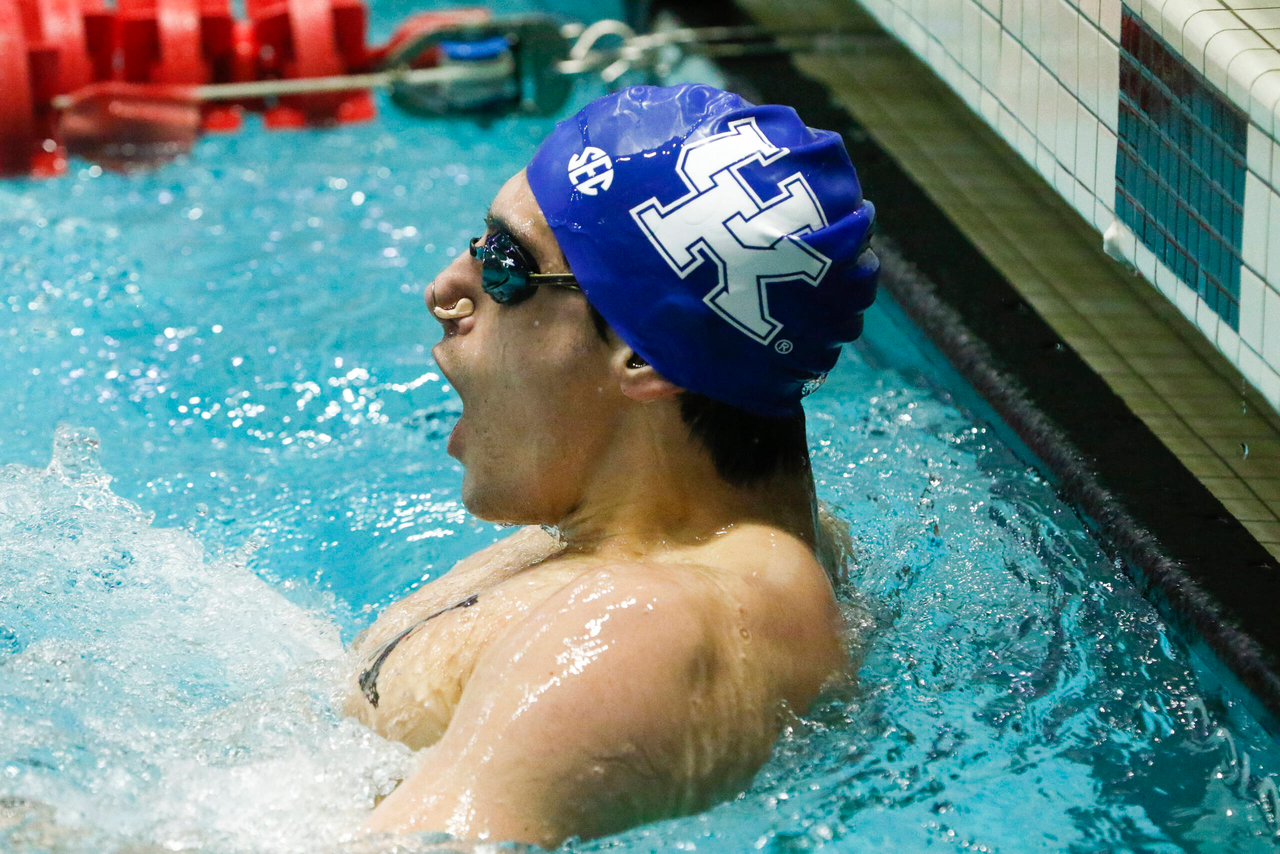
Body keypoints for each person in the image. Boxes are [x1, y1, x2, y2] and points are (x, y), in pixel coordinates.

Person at [343, 83, 879, 848]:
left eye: (504, 265)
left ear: (642, 352)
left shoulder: (636, 632)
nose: (447, 290)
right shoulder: (723, 549)